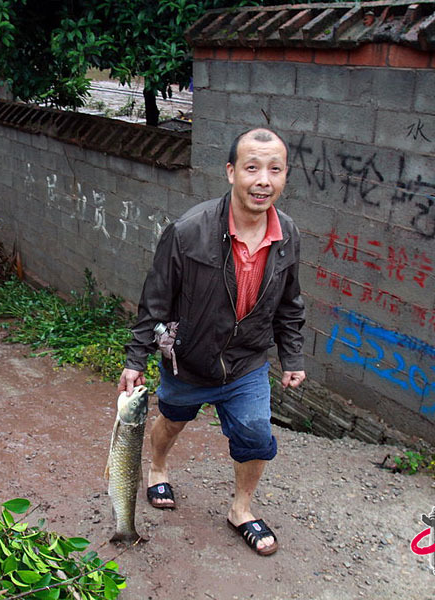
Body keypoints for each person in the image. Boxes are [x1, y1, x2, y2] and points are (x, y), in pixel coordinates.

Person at [118, 128, 305, 557]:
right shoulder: (187, 231)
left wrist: (291, 355)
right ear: (230, 172)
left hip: (246, 364)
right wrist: (136, 359)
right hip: (190, 361)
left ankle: (241, 509)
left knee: (257, 436)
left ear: (285, 176)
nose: (263, 180)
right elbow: (155, 301)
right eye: (252, 168)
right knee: (172, 418)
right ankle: (158, 467)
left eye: (274, 170)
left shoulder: (288, 235)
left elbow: (290, 303)